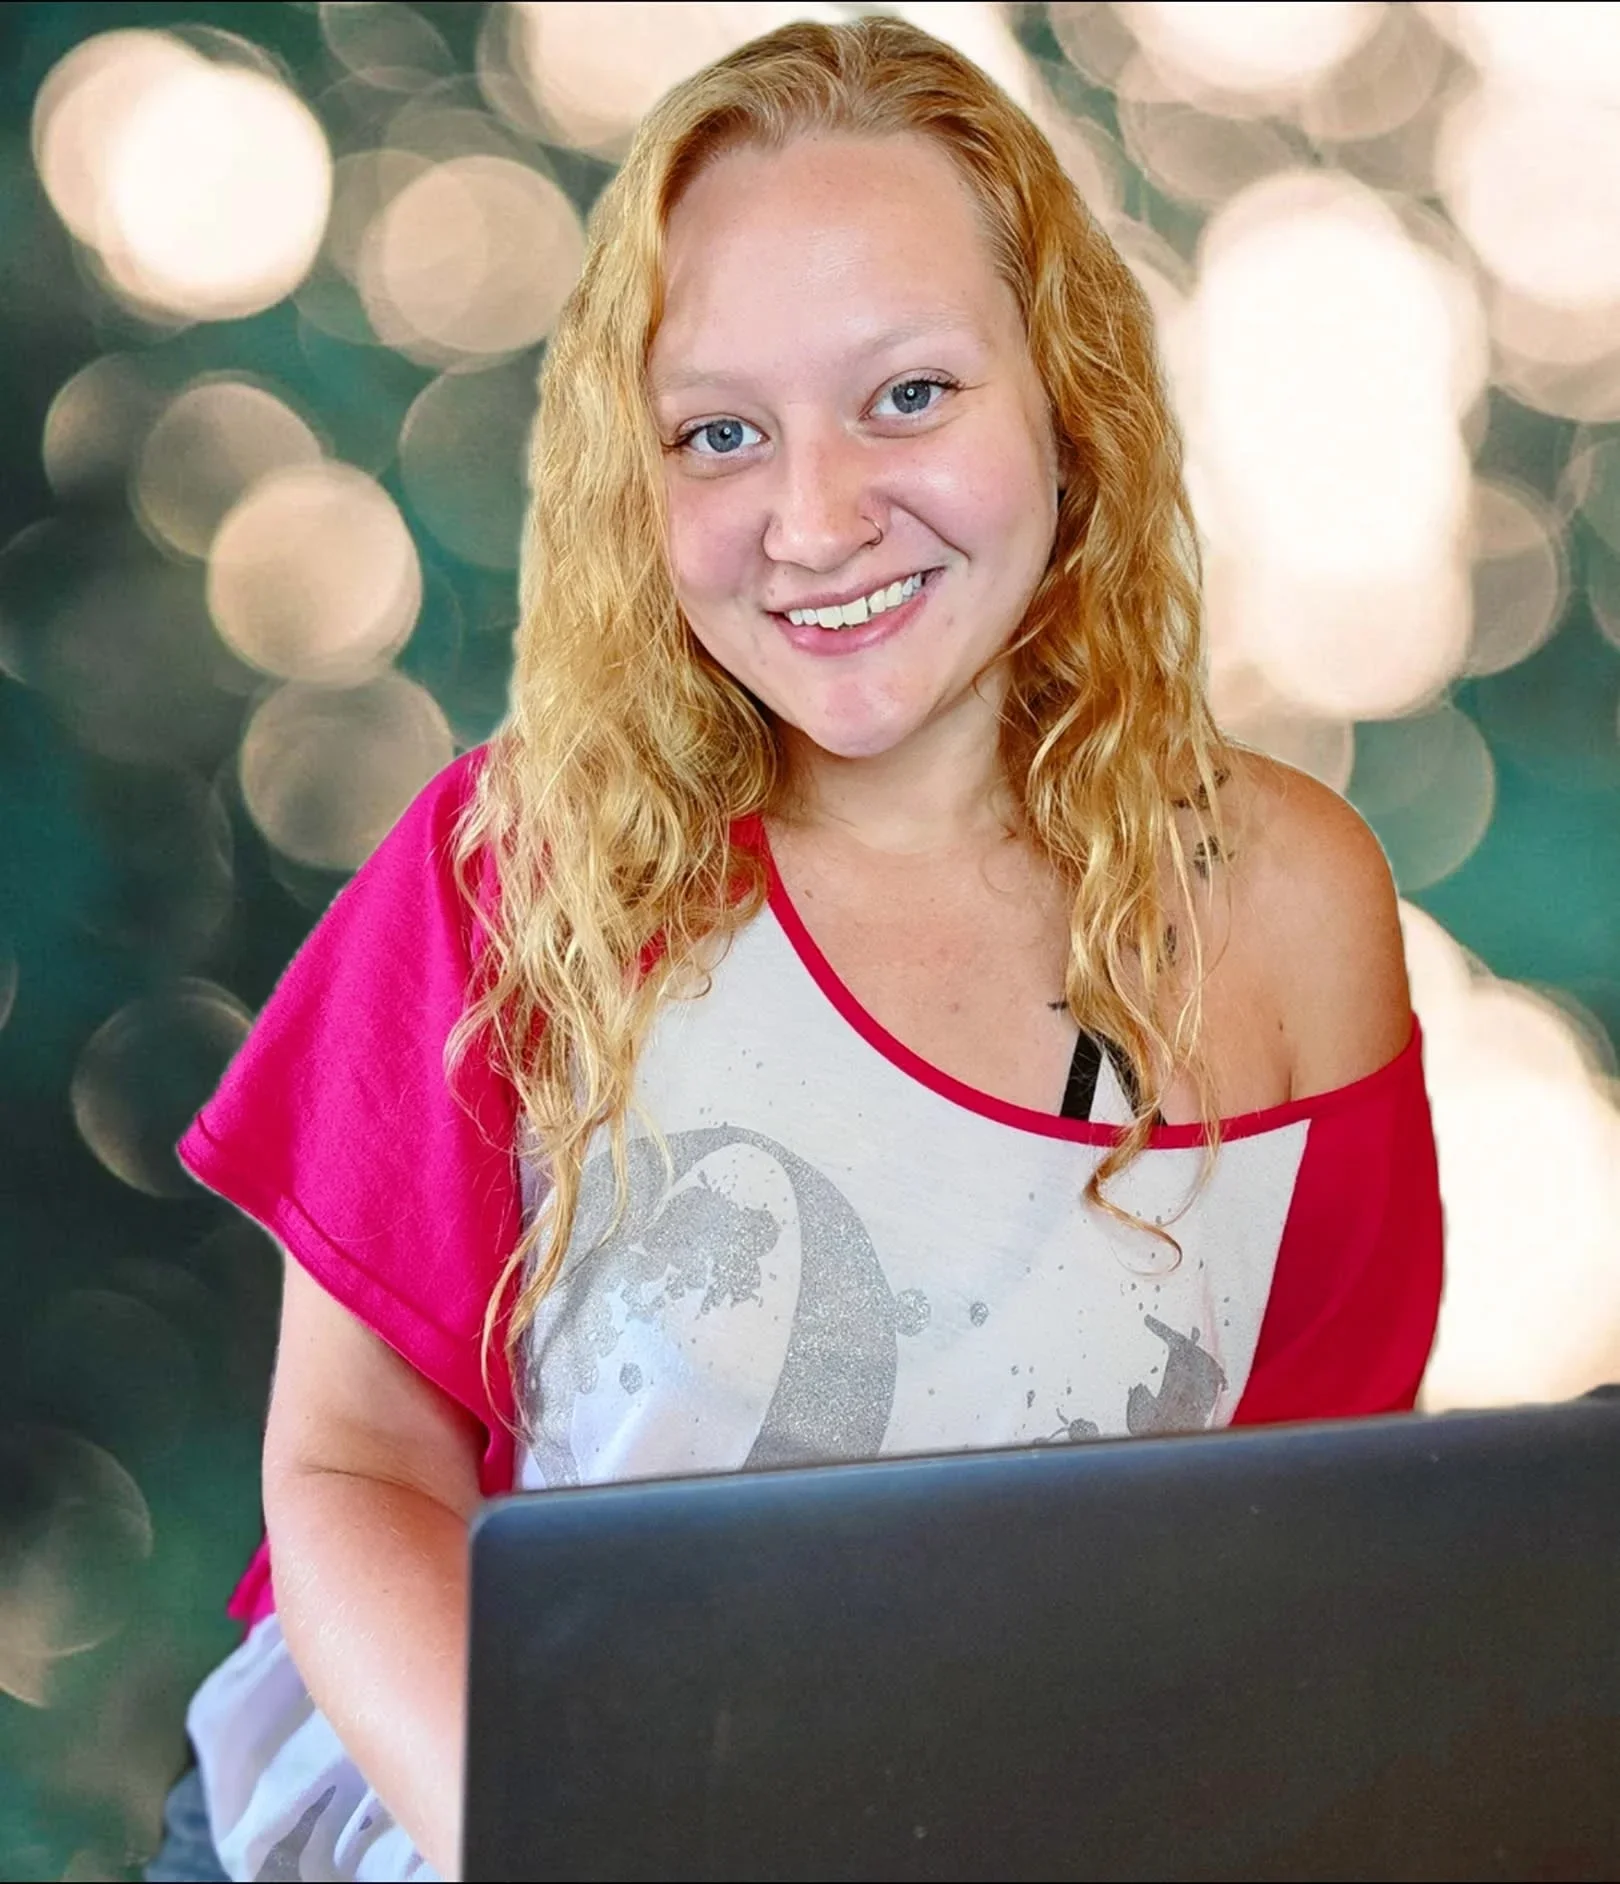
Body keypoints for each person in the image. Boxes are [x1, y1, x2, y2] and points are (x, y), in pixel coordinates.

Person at [150, 17, 1443, 1882]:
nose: (816, 516)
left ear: (1066, 396)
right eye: (721, 434)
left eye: (908, 396)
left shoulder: (1291, 908)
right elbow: (355, 1477)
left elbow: (1322, 1544)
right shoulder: (517, 874)